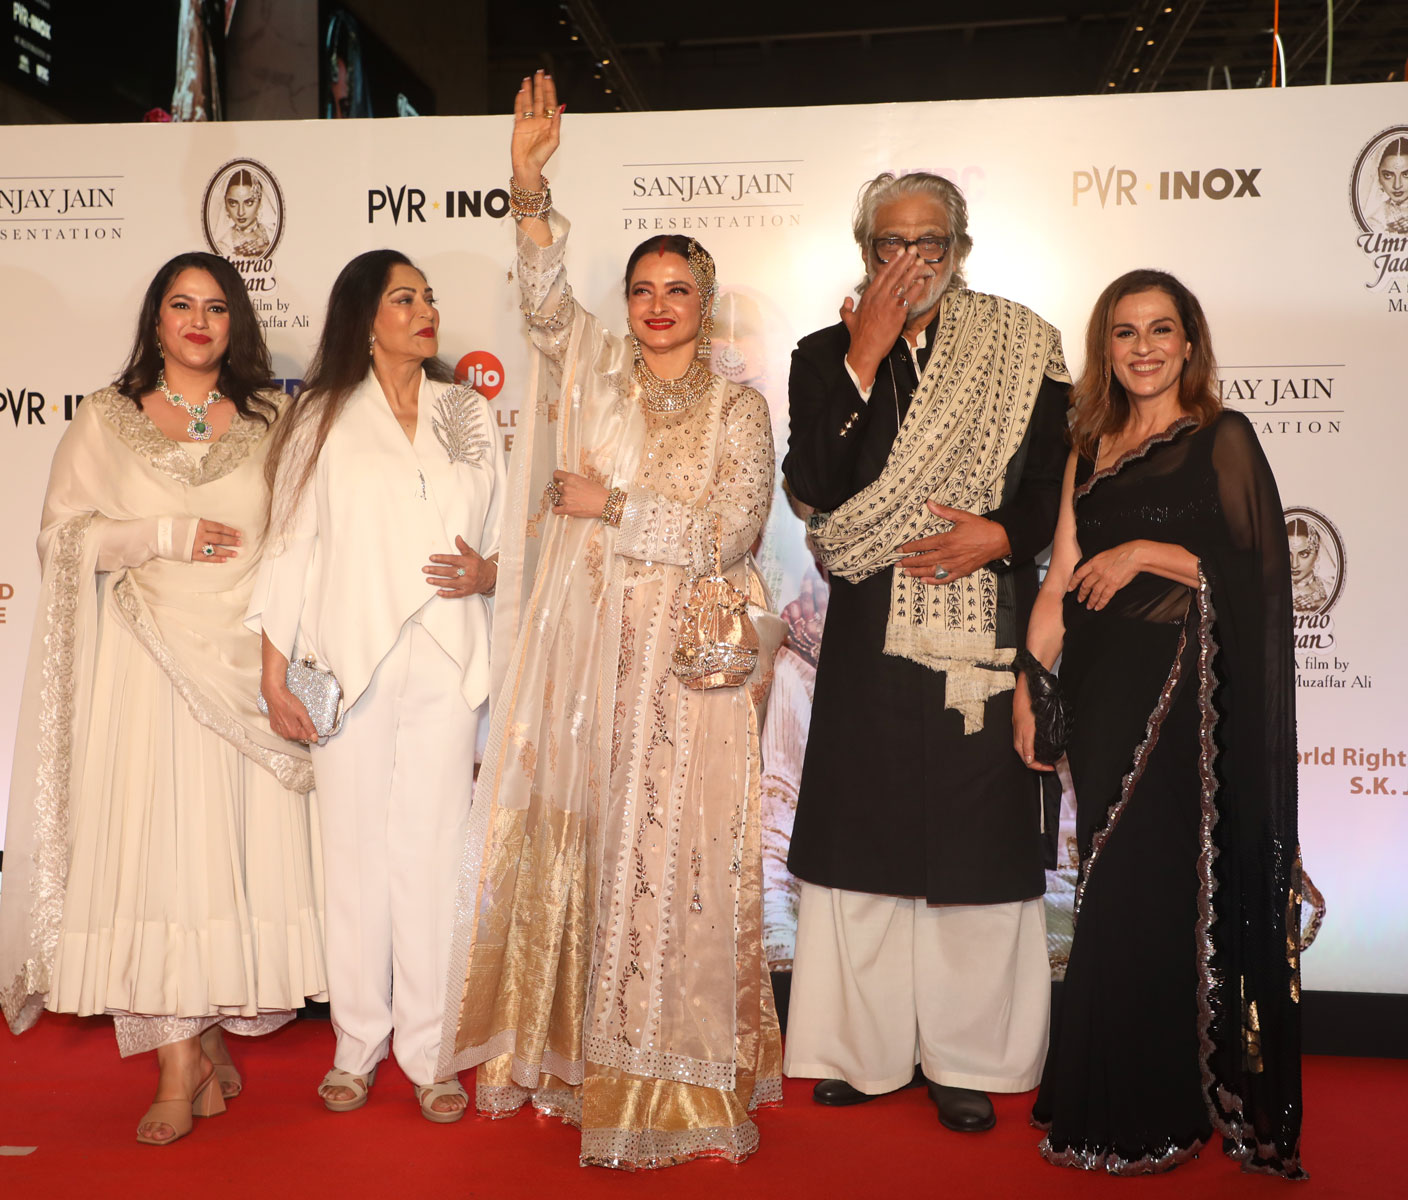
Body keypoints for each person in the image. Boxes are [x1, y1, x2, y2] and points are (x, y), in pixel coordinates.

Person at [440, 71, 781, 1169]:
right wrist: (528, 184)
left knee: (678, 859)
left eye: (678, 289)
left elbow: (733, 530)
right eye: (642, 288)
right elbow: (546, 305)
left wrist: (616, 505)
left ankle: (672, 1072)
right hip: (588, 660)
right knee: (588, 848)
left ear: (705, 303)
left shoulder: (738, 408)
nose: (657, 304)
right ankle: (578, 1055)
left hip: (685, 671)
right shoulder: (596, 375)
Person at [0, 252, 326, 1146]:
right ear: (155, 320)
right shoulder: (106, 417)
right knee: (158, 859)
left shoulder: (274, 419)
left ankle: (207, 1034)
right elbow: (60, 539)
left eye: (215, 308)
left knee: (218, 858)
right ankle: (178, 1062)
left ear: (235, 324)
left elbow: (301, 539)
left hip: (244, 665)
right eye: (181, 305)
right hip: (147, 663)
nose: (198, 322)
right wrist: (160, 534)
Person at [781, 171, 1070, 1132]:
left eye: (930, 242)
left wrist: (1004, 535)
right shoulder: (821, 354)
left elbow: (1056, 484)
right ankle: (860, 1052)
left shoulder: (1023, 348)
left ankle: (967, 1058)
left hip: (982, 629)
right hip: (870, 633)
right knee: (863, 836)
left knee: (970, 843)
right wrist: (862, 358)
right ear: (865, 252)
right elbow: (815, 486)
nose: (911, 262)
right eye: (890, 244)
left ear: (961, 249)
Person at [1020, 270, 1304, 1178]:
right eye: (1125, 332)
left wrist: (1145, 550)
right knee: (1103, 883)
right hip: (1097, 693)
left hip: (1178, 695)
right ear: (1105, 348)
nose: (1143, 348)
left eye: (1160, 330)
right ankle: (1103, 1090)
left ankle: (1151, 1111)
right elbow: (1059, 581)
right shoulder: (1089, 448)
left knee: (1142, 887)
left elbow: (1255, 569)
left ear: (1189, 343)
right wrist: (1030, 683)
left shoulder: (1223, 438)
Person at [249, 249, 504, 1123]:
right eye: (404, 298)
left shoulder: (467, 410)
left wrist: (489, 574)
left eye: (429, 297)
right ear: (365, 318)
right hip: (348, 661)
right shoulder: (318, 417)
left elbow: (502, 528)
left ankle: (432, 1053)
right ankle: (355, 1044)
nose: (425, 310)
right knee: (353, 857)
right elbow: (289, 544)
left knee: (433, 857)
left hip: (446, 652)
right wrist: (273, 669)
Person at [221, 169, 273, 258]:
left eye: (249, 202)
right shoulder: (224, 244)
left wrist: (264, 249)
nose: (240, 212)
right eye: (233, 203)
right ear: (225, 204)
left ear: (260, 202)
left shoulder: (271, 234)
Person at [1363, 135, 1408, 234]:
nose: (1397, 185)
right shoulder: (1375, 220)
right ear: (1378, 176)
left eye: (1406, 174)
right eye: (1388, 175)